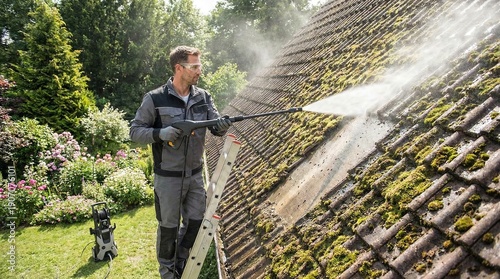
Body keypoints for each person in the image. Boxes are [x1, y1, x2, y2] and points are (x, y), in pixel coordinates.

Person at [129, 46, 231, 279]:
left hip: (195, 176)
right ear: (179, 68)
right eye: (194, 66)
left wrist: (221, 126)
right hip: (168, 179)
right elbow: (135, 132)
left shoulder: (203, 97)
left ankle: (181, 261)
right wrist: (160, 134)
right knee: (168, 229)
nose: (199, 71)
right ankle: (167, 272)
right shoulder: (155, 99)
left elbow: (215, 127)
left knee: (196, 222)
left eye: (199, 66)